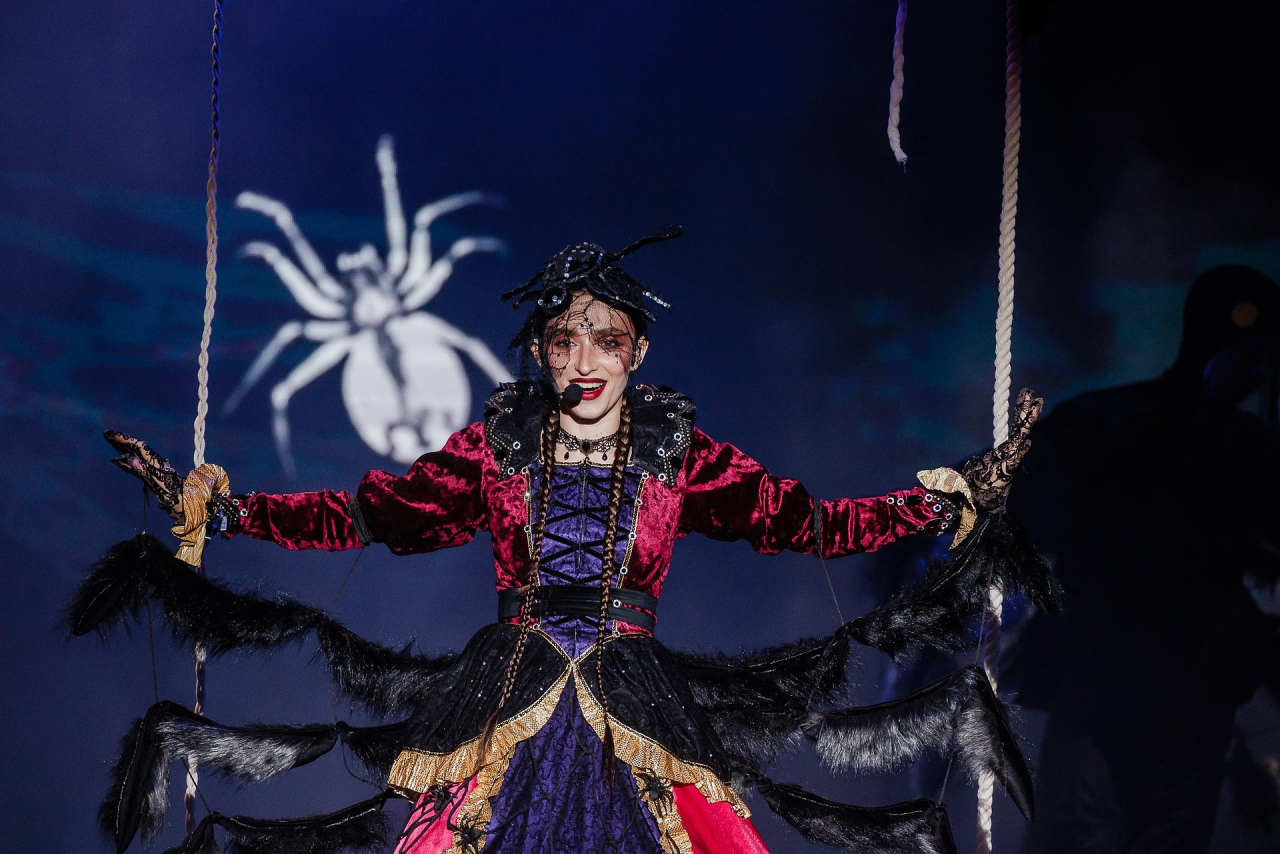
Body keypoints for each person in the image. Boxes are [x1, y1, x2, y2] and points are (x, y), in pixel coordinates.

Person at [98, 232, 1043, 854]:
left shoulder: (676, 449)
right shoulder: (500, 443)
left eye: (605, 343)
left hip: (638, 691)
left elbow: (812, 524)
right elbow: (369, 515)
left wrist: (947, 501)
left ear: (638, 352)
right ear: (542, 349)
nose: (583, 363)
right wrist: (227, 511)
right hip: (512, 681)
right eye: (562, 342)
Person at [1008, 265, 1280, 854]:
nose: (1262, 372)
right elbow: (1018, 485)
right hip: (1107, 681)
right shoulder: (1113, 422)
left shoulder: (1247, 449)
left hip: (1185, 691)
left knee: (1152, 837)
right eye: (1256, 354)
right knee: (1080, 835)